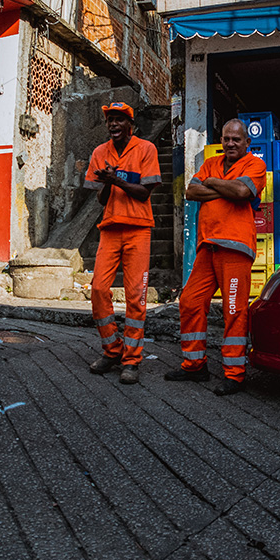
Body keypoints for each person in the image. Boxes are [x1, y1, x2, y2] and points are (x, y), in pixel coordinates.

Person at [169, 118, 267, 396]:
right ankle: (194, 364)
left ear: (247, 142)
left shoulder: (255, 165)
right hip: (207, 246)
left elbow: (242, 191)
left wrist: (212, 184)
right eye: (226, 139)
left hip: (236, 248)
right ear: (221, 140)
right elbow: (190, 191)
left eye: (237, 139)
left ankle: (235, 374)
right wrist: (224, 186)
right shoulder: (212, 163)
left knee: (234, 311)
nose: (231, 143)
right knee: (189, 301)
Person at [83, 101, 162, 384]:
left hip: (139, 230)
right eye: (109, 121)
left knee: (135, 296)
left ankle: (132, 360)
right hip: (110, 229)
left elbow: (143, 193)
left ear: (130, 124)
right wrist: (107, 182)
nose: (113, 125)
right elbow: (101, 199)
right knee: (99, 290)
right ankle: (112, 350)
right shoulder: (99, 153)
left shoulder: (146, 149)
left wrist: (115, 179)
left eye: (118, 120)